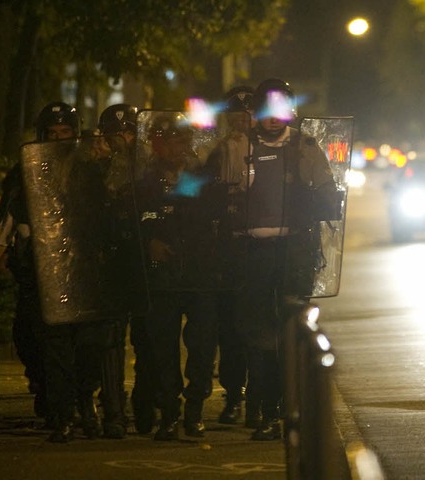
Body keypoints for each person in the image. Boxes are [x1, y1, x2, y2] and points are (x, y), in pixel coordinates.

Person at [234, 78, 339, 441]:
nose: (274, 119)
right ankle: (261, 409)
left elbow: (328, 195)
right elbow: (218, 199)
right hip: (255, 255)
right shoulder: (238, 147)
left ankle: (285, 407)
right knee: (259, 334)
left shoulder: (305, 147)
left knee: (291, 333)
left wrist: (314, 200)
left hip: (295, 252)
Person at [0, 101, 81, 425]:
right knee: (27, 335)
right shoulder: (25, 173)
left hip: (73, 270)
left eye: (65, 132)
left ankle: (66, 400)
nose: (58, 138)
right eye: (52, 132)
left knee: (71, 340)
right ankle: (44, 385)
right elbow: (8, 221)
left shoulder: (84, 169)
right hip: (35, 269)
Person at [133, 113, 221, 441]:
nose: (176, 147)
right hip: (163, 275)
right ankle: (169, 412)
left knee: (201, 345)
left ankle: (194, 409)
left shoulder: (203, 176)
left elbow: (211, 216)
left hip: (198, 273)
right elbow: (140, 215)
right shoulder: (145, 181)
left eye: (181, 140)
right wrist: (150, 240)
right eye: (169, 140)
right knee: (161, 347)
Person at [206, 86, 262, 428]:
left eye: (248, 113)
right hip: (228, 247)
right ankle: (234, 393)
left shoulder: (273, 148)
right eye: (236, 114)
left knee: (257, 327)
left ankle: (260, 397)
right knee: (229, 327)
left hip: (260, 246)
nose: (242, 120)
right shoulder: (218, 150)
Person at [93, 103, 142, 438]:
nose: (123, 139)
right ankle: (113, 409)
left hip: (143, 258)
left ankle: (147, 403)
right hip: (109, 258)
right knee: (110, 337)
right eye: (116, 134)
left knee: (149, 336)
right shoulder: (94, 168)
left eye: (128, 132)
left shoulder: (150, 165)